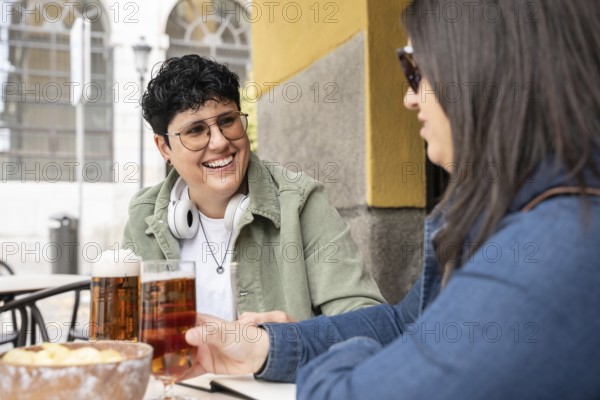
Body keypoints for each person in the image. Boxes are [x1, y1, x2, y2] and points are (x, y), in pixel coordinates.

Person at [183, 0, 600, 398]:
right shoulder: (528, 216)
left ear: (482, 70)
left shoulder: (555, 246)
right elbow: (407, 321)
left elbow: (351, 390)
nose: (408, 97)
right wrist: (268, 346)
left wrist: (367, 357)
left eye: (415, 67)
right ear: (163, 147)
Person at [122, 55, 385, 322]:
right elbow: (124, 335)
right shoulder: (143, 215)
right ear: (164, 147)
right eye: (196, 130)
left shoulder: (300, 202)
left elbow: (367, 322)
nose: (219, 143)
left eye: (226, 121)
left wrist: (293, 339)